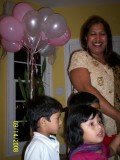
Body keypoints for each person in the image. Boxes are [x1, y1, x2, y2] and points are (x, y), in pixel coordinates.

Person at [68, 15, 120, 138]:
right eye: (93, 34)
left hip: (115, 128)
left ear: (108, 38)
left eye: (102, 34)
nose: (98, 38)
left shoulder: (115, 62)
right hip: (89, 126)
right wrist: (117, 115)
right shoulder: (80, 57)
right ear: (86, 38)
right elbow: (86, 89)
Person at [24, 95, 63, 160]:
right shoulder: (37, 147)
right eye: (57, 118)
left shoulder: (49, 140)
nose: (61, 122)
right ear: (43, 122)